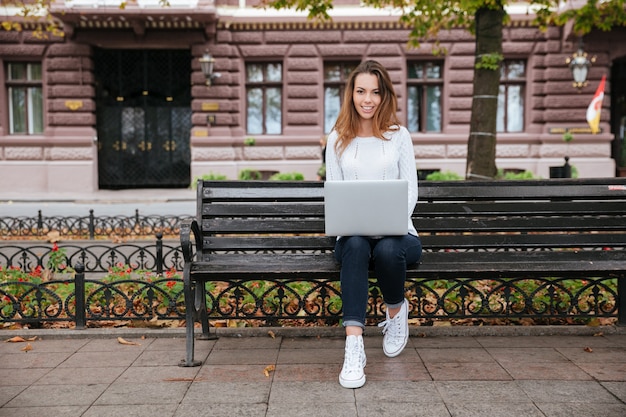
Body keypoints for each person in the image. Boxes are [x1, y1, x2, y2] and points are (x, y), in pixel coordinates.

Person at [325, 60, 422, 389]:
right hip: (352, 235)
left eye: (375, 92)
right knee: (354, 244)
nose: (367, 99)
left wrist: (386, 223)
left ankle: (395, 311)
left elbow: (410, 191)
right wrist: (358, 225)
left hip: (398, 235)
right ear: (351, 94)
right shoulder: (337, 138)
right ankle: (354, 346)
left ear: (385, 96)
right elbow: (335, 192)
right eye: (361, 91)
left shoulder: (398, 136)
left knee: (388, 248)